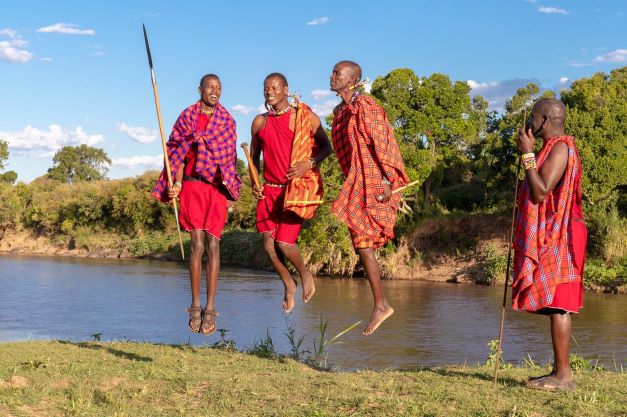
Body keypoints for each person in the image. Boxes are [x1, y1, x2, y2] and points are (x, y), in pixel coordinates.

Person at [152, 74, 241, 335]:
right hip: (192, 186)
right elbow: (177, 155)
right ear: (200, 89)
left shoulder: (226, 121)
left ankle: (210, 307)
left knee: (214, 245)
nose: (215, 91)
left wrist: (229, 186)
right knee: (198, 245)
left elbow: (228, 158)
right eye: (210, 87)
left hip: (216, 189)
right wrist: (177, 183)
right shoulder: (187, 117)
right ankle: (195, 304)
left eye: (219, 88)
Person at [329, 61, 409, 335]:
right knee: (360, 243)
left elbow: (383, 143)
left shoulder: (366, 106)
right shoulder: (340, 111)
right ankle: (381, 304)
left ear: (352, 80)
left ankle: (381, 305)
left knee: (363, 242)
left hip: (374, 179)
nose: (331, 76)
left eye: (337, 73)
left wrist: (387, 180)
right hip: (356, 181)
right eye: (332, 72)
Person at [513, 98, 587, 391]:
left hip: (564, 232)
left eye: (533, 116)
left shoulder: (560, 148)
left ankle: (564, 376)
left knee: (560, 304)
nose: (530, 122)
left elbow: (541, 192)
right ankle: (558, 370)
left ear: (544, 120)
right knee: (555, 302)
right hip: (556, 231)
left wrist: (527, 155)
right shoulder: (551, 147)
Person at [250, 72, 332, 313]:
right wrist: (254, 182)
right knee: (268, 245)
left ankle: (305, 274)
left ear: (286, 90)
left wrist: (310, 163)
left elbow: (326, 147)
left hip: (294, 191)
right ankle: (288, 283)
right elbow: (254, 158)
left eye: (274, 87)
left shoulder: (303, 117)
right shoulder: (260, 122)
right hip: (269, 191)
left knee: (284, 243)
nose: (269, 91)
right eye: (266, 88)